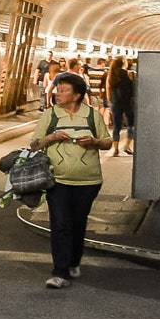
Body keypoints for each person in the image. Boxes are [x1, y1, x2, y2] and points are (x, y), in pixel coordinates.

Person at [34, 69, 114, 289]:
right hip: (57, 180)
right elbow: (34, 144)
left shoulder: (91, 115)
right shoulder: (49, 115)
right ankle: (60, 272)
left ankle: (73, 262)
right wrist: (51, 137)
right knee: (60, 224)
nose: (58, 93)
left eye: (63, 90)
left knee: (78, 224)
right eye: (58, 90)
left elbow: (107, 142)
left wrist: (94, 142)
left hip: (88, 181)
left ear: (77, 94)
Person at [106, 56, 137, 156]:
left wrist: (111, 101)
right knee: (131, 125)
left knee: (116, 126)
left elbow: (108, 90)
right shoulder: (129, 74)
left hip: (116, 103)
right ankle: (127, 146)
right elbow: (133, 89)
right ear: (123, 62)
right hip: (128, 103)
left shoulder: (110, 75)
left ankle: (115, 149)